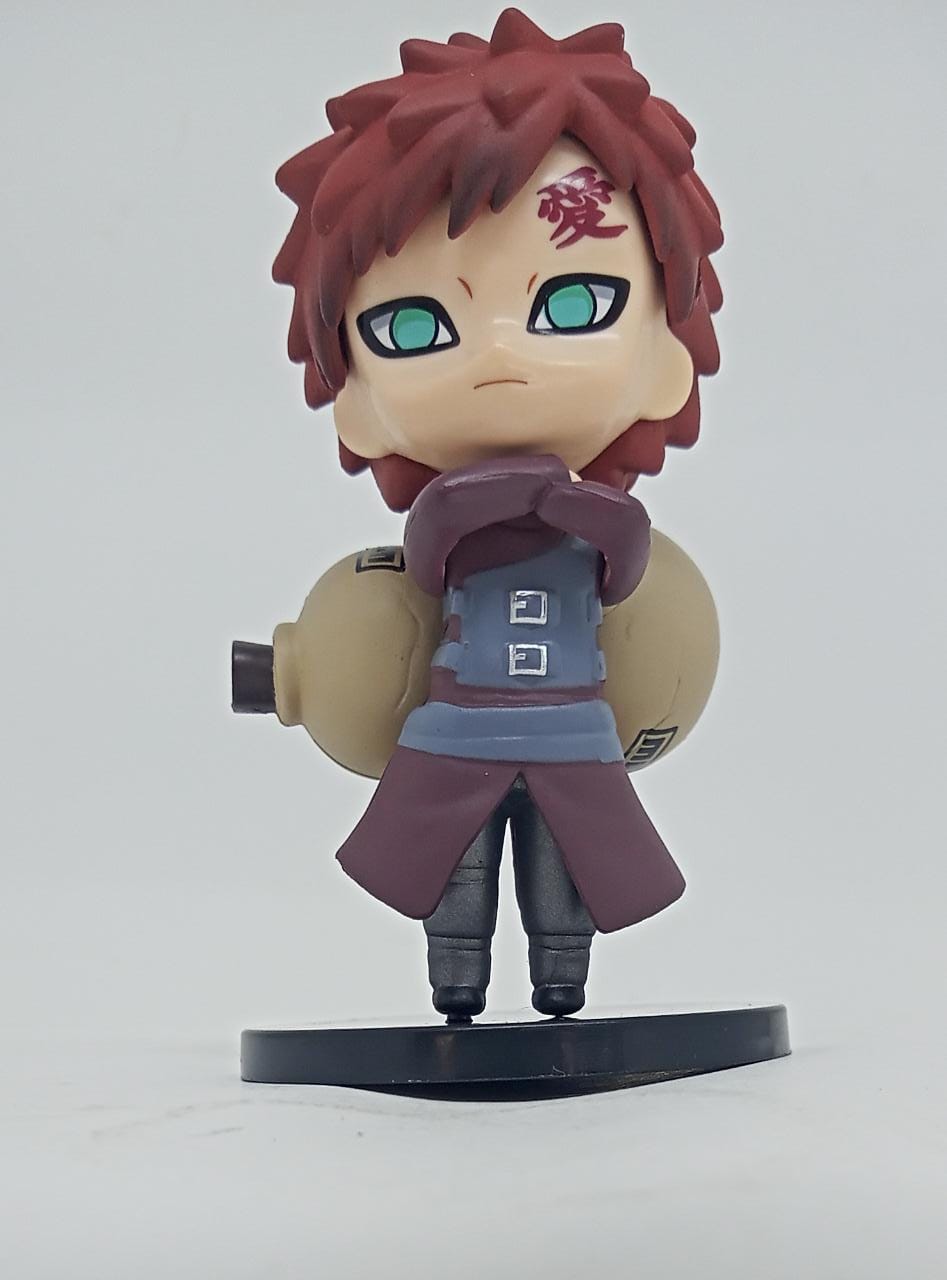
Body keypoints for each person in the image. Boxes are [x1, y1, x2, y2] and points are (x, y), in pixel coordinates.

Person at [272, 8, 724, 1020]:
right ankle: (457, 989)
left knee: (572, 875)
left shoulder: (591, 524)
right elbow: (430, 550)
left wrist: (563, 502)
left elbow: (623, 554)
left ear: (666, 358)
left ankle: (561, 985)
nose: (499, 356)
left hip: (573, 728)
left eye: (573, 303)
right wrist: (503, 497)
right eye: (415, 324)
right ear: (354, 397)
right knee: (452, 871)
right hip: (458, 725)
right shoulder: (453, 519)